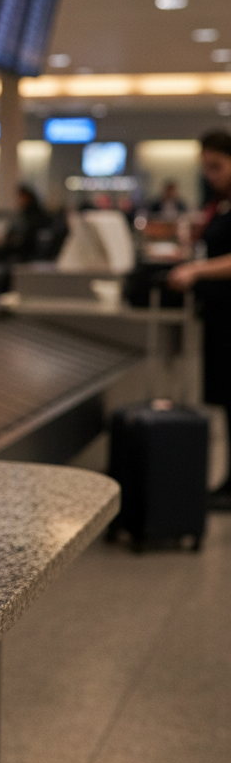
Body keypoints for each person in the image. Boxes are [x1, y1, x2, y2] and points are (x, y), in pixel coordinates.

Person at [168, 129, 231, 509]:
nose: (211, 175)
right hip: (220, 314)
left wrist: (197, 271)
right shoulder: (220, 203)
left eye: (217, 167)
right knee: (225, 399)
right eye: (206, 168)